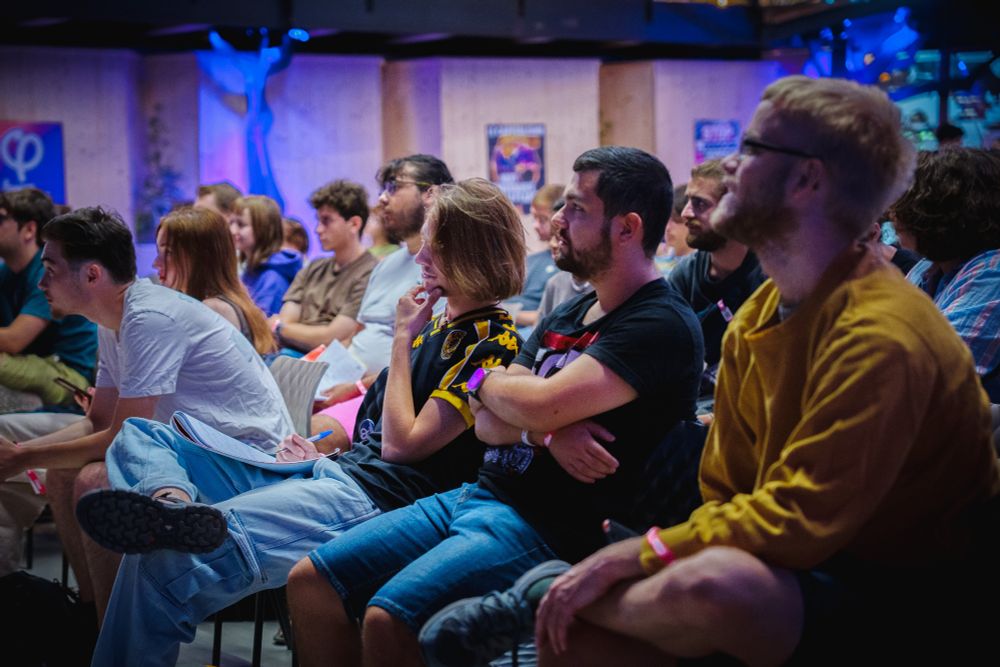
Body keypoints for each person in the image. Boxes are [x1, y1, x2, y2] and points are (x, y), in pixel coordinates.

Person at [510, 76, 997, 666]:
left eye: (752, 148)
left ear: (808, 179)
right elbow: (725, 490)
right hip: (795, 568)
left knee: (714, 583)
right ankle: (558, 604)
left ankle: (534, 603)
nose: (730, 166)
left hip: (905, 601)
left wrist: (641, 555)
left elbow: (799, 518)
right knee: (581, 639)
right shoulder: (760, 314)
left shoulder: (884, 334)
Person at [73, 177, 527, 667]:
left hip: (376, 498)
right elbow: (374, 434)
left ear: (469, 252)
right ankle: (172, 504)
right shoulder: (434, 321)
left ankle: (174, 533)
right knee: (143, 434)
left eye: (433, 246)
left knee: (158, 566)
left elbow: (402, 446)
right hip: (336, 472)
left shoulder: (493, 343)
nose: (420, 257)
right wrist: (321, 453)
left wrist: (400, 340)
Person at [288, 146, 704, 667]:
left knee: (388, 618)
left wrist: (501, 391)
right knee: (311, 582)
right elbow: (488, 423)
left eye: (576, 208)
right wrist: (541, 430)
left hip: (552, 525)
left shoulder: (657, 323)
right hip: (480, 493)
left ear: (627, 228)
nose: (557, 220)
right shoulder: (574, 309)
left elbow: (539, 401)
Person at [0, 207, 292, 623]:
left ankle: (114, 629)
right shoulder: (110, 319)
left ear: (92, 275)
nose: (41, 283)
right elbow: (99, 421)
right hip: (197, 450)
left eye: (50, 270)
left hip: (245, 461)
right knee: (64, 473)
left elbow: (122, 436)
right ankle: (92, 616)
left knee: (94, 481)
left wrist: (23, 457)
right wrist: (20, 451)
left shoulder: (149, 316)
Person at [312, 155, 453, 411]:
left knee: (314, 426)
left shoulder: (444, 269)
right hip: (349, 381)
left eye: (394, 187)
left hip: (390, 392)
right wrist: (318, 370)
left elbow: (425, 357)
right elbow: (358, 333)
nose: (382, 199)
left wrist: (357, 388)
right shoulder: (386, 264)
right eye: (383, 190)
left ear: (431, 193)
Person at [889, 148, 1000, 402]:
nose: (893, 212)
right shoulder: (929, 267)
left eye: (908, 198)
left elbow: (921, 373)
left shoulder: (992, 272)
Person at [668, 159, 765, 400]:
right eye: (688, 200)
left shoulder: (771, 278)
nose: (685, 213)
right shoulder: (685, 275)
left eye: (699, 203)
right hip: (698, 405)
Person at [0, 188, 97, 412]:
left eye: (1, 219)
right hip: (33, 360)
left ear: (29, 230)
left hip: (69, 375)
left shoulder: (46, 272)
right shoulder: (6, 273)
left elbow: (14, 340)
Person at [269, 181, 378, 354]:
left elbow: (331, 338)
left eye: (326, 221)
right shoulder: (314, 267)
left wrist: (280, 328)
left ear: (354, 224)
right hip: (288, 356)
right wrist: (287, 328)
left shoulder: (372, 272)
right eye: (318, 220)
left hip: (326, 363)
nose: (318, 229)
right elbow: (286, 318)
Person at [154, 207, 275, 354]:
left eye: (169, 252)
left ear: (201, 257)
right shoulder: (226, 301)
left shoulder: (213, 309)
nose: (156, 263)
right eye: (158, 252)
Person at [232, 194, 303, 316]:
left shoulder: (272, 277)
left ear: (263, 229)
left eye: (241, 224)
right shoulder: (253, 268)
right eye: (231, 223)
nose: (233, 230)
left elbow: (262, 324)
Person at [507, 183, 564, 330]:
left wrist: (507, 312)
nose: (535, 225)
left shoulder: (565, 265)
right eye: (534, 218)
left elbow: (549, 316)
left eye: (542, 219)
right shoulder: (531, 260)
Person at [654, 184, 694, 276]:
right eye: (666, 220)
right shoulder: (659, 258)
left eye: (676, 220)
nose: (667, 228)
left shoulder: (697, 270)